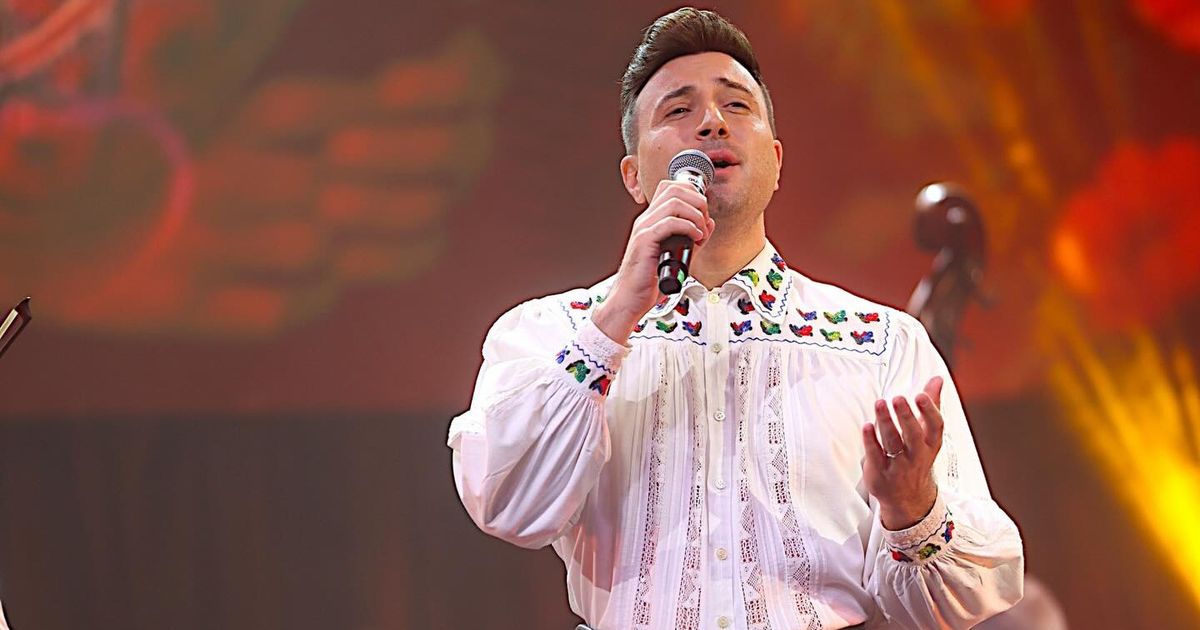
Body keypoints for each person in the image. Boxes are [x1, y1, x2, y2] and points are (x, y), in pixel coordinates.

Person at [448, 8, 1023, 629]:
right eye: (678, 109)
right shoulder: (551, 333)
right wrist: (615, 319)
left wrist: (913, 508)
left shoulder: (882, 345)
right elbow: (507, 504)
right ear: (634, 177)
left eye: (737, 105)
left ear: (775, 161)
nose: (712, 122)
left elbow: (963, 601)